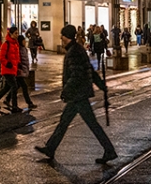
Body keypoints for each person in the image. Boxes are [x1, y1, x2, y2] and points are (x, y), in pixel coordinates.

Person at [35, 24, 117, 164]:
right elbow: (89, 69)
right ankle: (50, 148)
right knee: (64, 122)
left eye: (62, 35)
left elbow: (76, 75)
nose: (60, 37)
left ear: (67, 37)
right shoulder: (78, 49)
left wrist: (66, 90)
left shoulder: (73, 52)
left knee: (90, 124)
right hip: (79, 94)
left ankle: (109, 150)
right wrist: (101, 85)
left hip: (78, 95)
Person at [0, 26, 21, 112]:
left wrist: (18, 64)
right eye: (15, 33)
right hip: (7, 70)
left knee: (7, 88)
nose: (17, 35)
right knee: (14, 86)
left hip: (13, 69)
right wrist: (7, 63)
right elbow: (1, 57)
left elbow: (16, 56)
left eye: (17, 33)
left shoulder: (15, 44)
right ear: (11, 34)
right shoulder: (6, 44)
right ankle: (14, 106)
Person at [13, 35, 37, 110]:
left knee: (15, 86)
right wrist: (20, 67)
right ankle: (29, 103)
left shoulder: (24, 49)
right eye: (23, 40)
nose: (25, 42)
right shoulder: (19, 49)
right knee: (24, 86)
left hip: (22, 69)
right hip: (19, 70)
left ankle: (4, 99)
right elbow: (18, 59)